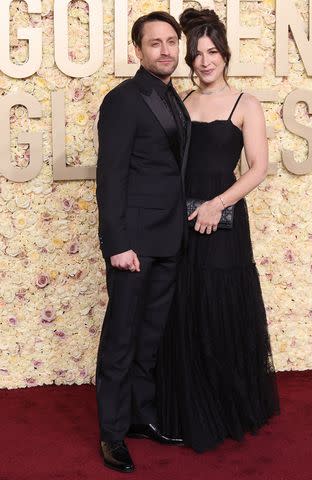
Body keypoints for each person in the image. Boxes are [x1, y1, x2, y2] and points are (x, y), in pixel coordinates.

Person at [156, 8, 280, 453]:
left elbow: (258, 168)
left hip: (223, 222)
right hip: (182, 223)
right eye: (196, 54)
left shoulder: (245, 104)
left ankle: (227, 406)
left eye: (212, 52)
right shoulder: (180, 102)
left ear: (225, 54)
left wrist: (217, 204)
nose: (204, 61)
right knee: (183, 307)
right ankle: (188, 407)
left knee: (219, 308)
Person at [95, 11, 191, 473]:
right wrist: (116, 243)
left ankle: (140, 417)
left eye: (171, 41)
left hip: (169, 239)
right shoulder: (122, 100)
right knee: (121, 338)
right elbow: (110, 177)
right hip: (132, 244)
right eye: (155, 43)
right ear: (138, 50)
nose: (166, 50)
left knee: (149, 339)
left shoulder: (175, 99)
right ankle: (112, 434)